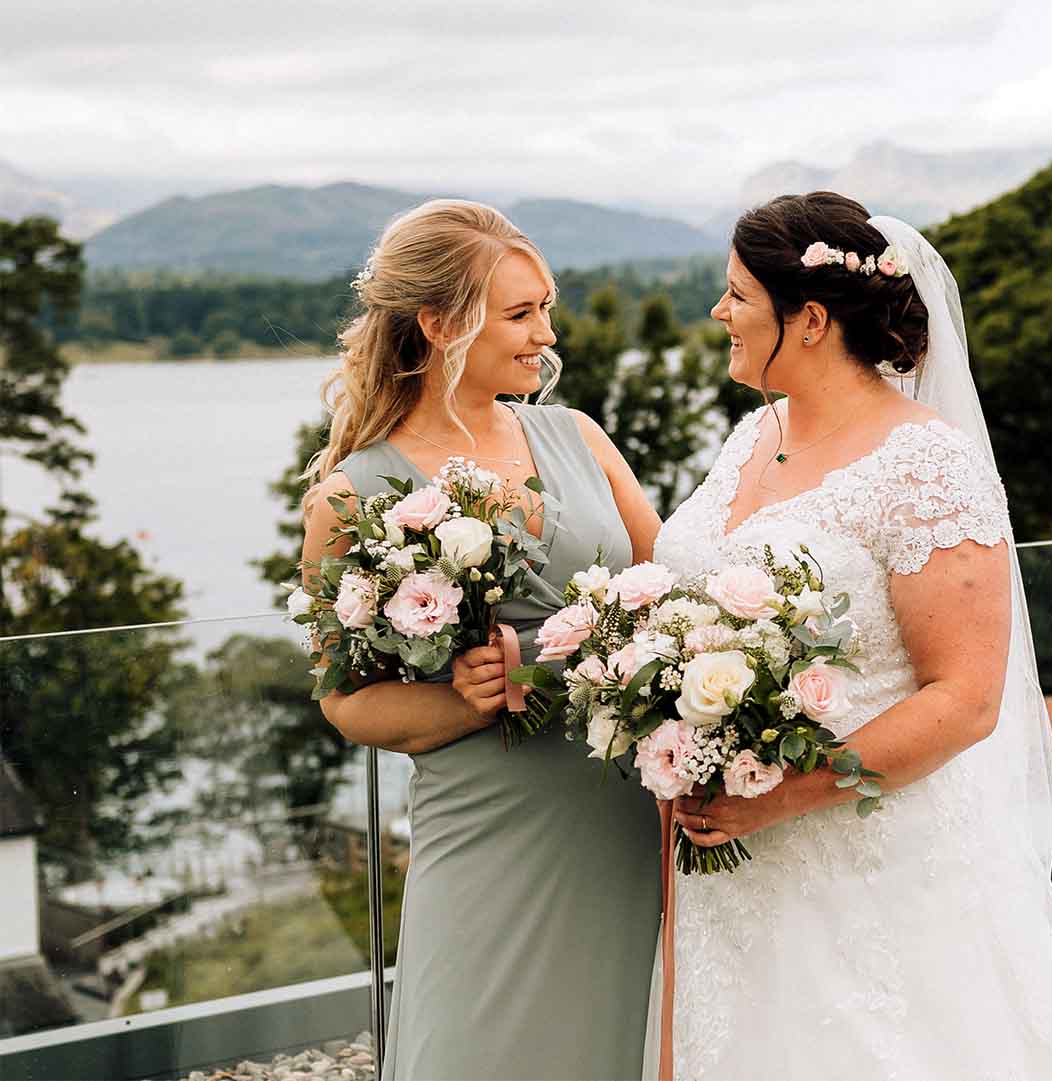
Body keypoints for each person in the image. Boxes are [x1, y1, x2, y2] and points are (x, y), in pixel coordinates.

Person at [648, 192, 1052, 1079]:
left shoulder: (927, 464)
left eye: (738, 295)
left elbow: (967, 699)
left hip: (871, 865)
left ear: (809, 319)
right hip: (730, 870)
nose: (720, 313)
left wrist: (782, 792)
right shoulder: (751, 436)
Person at [299, 199, 664, 1080]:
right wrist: (455, 697)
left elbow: (670, 593)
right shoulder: (355, 495)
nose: (546, 332)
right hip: (489, 831)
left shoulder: (578, 437)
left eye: (546, 307)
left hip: (626, 813)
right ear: (437, 323)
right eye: (521, 312)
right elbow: (343, 701)